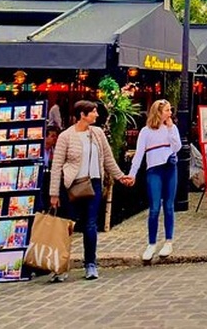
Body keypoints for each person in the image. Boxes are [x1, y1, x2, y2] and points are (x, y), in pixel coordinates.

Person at [50, 100, 133, 281]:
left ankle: (90, 264)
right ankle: (62, 267)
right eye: (93, 112)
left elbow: (108, 159)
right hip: (72, 185)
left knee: (90, 224)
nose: (96, 114)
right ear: (82, 114)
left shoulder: (97, 133)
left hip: (93, 183)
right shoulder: (66, 136)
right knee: (67, 227)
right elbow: (56, 166)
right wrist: (54, 194)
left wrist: (120, 176)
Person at [128, 99, 182, 262]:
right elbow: (139, 154)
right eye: (167, 110)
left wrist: (171, 128)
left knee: (169, 205)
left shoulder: (171, 128)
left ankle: (168, 240)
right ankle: (151, 243)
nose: (170, 113)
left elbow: (177, 146)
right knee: (154, 208)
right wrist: (132, 173)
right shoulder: (146, 131)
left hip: (169, 168)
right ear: (158, 112)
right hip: (154, 169)